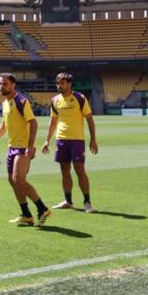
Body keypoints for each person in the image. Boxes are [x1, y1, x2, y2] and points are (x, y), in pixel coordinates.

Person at [0, 73, 51, 227]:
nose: (1, 86)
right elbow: (5, 124)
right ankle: (26, 214)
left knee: (18, 179)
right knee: (12, 180)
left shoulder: (21, 101)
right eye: (0, 84)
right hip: (12, 147)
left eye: (5, 84)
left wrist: (31, 145)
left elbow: (33, 123)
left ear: (13, 85)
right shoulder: (5, 102)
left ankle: (42, 208)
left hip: (23, 147)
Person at [42, 72, 98, 212]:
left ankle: (87, 202)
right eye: (57, 83)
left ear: (69, 84)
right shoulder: (55, 100)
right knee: (64, 171)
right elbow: (53, 122)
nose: (59, 86)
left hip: (77, 140)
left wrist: (93, 139)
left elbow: (90, 119)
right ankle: (68, 201)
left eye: (62, 83)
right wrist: (47, 140)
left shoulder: (80, 98)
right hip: (61, 140)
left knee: (79, 170)